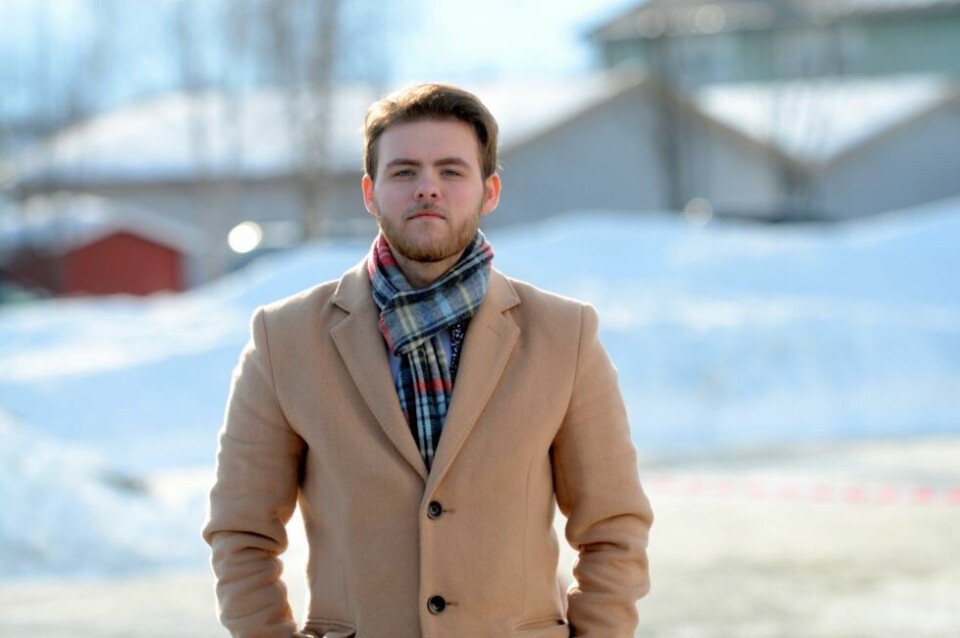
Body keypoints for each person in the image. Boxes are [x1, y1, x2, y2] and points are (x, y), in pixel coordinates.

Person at [203, 83, 653, 638]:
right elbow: (241, 532)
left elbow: (613, 526)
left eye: (450, 171)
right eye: (404, 171)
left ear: (489, 191)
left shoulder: (565, 335)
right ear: (370, 192)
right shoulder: (284, 338)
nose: (427, 189)